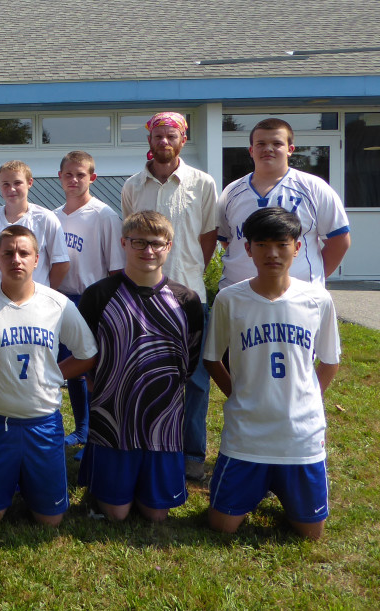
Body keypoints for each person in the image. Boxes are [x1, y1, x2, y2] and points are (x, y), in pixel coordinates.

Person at [0, 225, 97, 525]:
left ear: (37, 259)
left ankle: (29, 484)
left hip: (42, 421)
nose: (17, 259)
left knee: (49, 520)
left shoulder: (57, 303)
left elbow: (87, 355)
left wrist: (52, 374)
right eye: (8, 253)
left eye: (24, 253)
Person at [203, 207, 340, 540]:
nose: (272, 253)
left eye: (282, 243)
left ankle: (283, 490)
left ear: (297, 246)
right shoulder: (229, 299)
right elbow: (211, 359)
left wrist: (307, 399)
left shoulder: (317, 299)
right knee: (221, 528)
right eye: (261, 244)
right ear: (247, 249)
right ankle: (255, 487)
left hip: (300, 436)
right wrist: (238, 394)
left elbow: (330, 361)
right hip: (246, 435)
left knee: (311, 534)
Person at [76, 211, 203, 521]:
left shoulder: (186, 300)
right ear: (124, 243)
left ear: (169, 246)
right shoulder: (99, 295)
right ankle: (104, 485)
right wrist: (103, 388)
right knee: (116, 515)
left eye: (157, 244)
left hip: (163, 421)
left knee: (156, 515)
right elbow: (85, 355)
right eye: (139, 243)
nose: (148, 251)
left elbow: (189, 362)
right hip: (113, 420)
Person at [121, 111, 218, 482]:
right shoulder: (133, 186)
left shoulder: (202, 183)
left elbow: (207, 238)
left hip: (189, 297)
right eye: (158, 135)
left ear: (183, 139)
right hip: (144, 297)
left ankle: (192, 453)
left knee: (193, 379)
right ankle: (148, 442)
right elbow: (131, 239)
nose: (164, 141)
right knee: (145, 373)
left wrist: (186, 273)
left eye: (171, 136)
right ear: (149, 140)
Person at [218, 118, 350, 289]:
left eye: (277, 143)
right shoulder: (231, 191)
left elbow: (339, 242)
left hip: (299, 297)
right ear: (251, 150)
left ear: (290, 149)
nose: (268, 149)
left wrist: (311, 281)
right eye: (261, 143)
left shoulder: (314, 188)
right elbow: (229, 241)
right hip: (239, 295)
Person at [54, 151, 125, 451]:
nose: (74, 180)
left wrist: (109, 304)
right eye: (68, 174)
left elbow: (116, 268)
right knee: (69, 366)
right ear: (60, 177)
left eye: (80, 175)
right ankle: (82, 428)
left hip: (92, 297)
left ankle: (99, 431)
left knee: (93, 368)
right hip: (61, 298)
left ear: (92, 178)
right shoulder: (54, 216)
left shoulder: (104, 215)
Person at [0, 159, 71, 289]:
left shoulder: (46, 219)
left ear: (29, 183)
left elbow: (61, 263)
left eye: (17, 183)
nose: (11, 189)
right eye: (5, 184)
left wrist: (44, 293)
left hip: (34, 301)